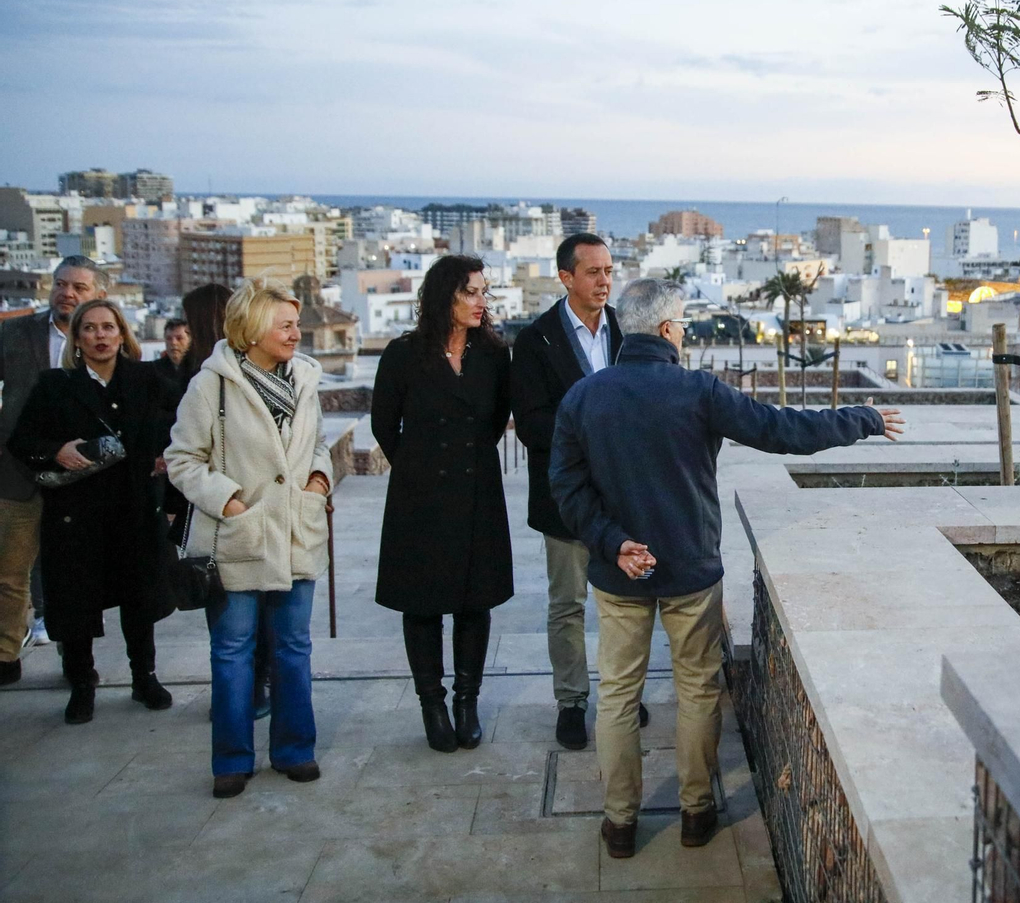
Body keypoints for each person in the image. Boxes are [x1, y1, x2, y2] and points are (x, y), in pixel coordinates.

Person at [550, 279, 904, 859]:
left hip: (619, 574)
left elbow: (566, 485)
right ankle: (696, 812)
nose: (685, 331)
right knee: (696, 688)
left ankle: (619, 824)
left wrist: (613, 544)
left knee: (615, 695)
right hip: (690, 569)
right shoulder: (698, 391)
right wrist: (861, 418)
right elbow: (784, 430)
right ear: (666, 330)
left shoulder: (585, 396)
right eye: (683, 323)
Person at [166, 277, 332, 799]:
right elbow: (181, 459)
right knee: (232, 651)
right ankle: (232, 760)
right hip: (238, 536)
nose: (295, 333)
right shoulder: (210, 384)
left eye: (296, 323)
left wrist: (319, 479)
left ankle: (294, 750)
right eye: (285, 324)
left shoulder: (305, 379)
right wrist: (231, 502)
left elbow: (318, 444)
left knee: (293, 648)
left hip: (294, 535)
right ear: (254, 328)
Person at [510, 232, 650, 751]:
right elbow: (530, 423)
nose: (605, 281)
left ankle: (622, 694)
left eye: (609, 271)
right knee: (567, 604)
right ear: (566, 277)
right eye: (593, 272)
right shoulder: (534, 341)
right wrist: (592, 434)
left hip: (623, 496)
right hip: (565, 497)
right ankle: (571, 702)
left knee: (625, 602)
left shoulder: (627, 332)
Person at [7, 299, 177, 723]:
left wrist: (166, 455)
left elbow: (180, 424)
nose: (100, 336)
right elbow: (22, 440)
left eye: (108, 327)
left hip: (134, 508)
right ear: (77, 338)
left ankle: (145, 678)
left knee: (139, 599)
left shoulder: (146, 379)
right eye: (90, 328)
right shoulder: (54, 385)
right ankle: (82, 682)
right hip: (77, 514)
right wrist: (56, 451)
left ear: (122, 334)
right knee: (77, 604)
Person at [372, 255, 513, 753]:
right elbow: (384, 425)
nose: (481, 302)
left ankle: (466, 702)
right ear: (443, 298)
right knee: (423, 603)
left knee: (475, 602)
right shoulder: (403, 354)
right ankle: (432, 704)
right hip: (420, 498)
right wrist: (417, 468)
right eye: (470, 292)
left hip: (477, 492)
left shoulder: (495, 355)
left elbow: (496, 421)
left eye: (483, 292)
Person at [0, 255, 107, 686]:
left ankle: (75, 657)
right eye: (61, 284)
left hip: (79, 475)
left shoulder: (105, 342)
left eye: (79, 287)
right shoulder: (14, 332)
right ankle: (6, 656)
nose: (67, 293)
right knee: (9, 572)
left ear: (99, 295)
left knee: (74, 575)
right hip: (16, 472)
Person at [169, 283, 272, 721]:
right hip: (225, 504)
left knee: (227, 619)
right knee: (251, 611)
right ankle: (252, 689)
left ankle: (237, 694)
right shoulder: (207, 376)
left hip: (214, 506)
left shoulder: (198, 376)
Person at [154, 318, 189, 386]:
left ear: (190, 340)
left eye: (179, 338)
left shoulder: (199, 369)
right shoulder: (155, 371)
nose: (173, 343)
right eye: (169, 339)